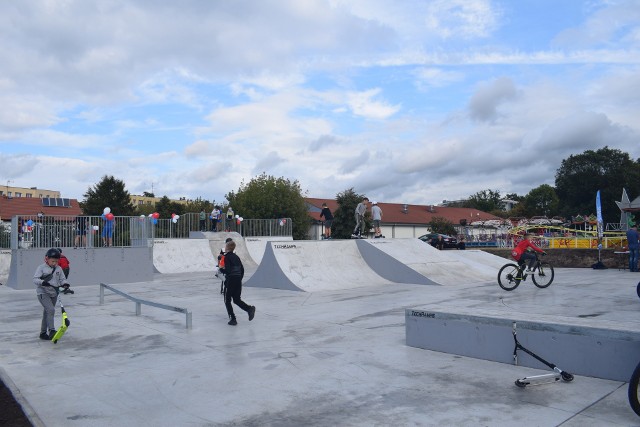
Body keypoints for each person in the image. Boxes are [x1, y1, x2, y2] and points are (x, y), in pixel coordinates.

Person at [34, 248, 71, 340]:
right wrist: (42, 282)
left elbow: (62, 279)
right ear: (47, 259)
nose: (54, 263)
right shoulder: (41, 268)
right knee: (51, 310)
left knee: (47, 313)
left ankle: (43, 333)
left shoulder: (58, 269)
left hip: (54, 293)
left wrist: (65, 284)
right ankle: (51, 330)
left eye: (56, 261)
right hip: (43, 293)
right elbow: (35, 279)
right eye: (52, 261)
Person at [220, 240, 255, 326]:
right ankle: (249, 309)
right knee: (236, 299)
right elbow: (242, 269)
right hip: (238, 280)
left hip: (231, 281)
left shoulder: (227, 257)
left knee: (227, 300)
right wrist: (239, 278)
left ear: (227, 248)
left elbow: (228, 271)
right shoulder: (236, 257)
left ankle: (233, 319)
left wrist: (221, 269)